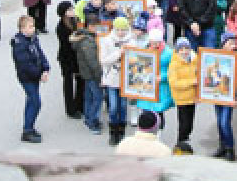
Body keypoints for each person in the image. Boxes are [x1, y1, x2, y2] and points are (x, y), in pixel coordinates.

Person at [11, 14, 50, 143]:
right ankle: (27, 131)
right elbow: (25, 65)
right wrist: (40, 74)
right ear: (22, 29)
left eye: (33, 26)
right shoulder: (19, 44)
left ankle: (29, 127)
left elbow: (40, 54)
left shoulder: (33, 38)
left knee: (31, 101)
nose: (33, 29)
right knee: (35, 102)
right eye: (30, 27)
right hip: (27, 78)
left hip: (35, 76)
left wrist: (45, 68)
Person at [100, 16, 135, 145]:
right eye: (118, 29)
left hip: (125, 79)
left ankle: (121, 131)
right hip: (112, 78)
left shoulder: (132, 41)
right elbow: (103, 60)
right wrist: (119, 53)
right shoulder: (107, 40)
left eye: (123, 29)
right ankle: (113, 132)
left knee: (123, 106)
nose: (121, 32)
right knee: (113, 107)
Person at [212, 30, 237, 161]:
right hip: (217, 94)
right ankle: (222, 147)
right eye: (230, 42)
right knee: (219, 121)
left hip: (229, 96)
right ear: (223, 43)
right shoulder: (216, 56)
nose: (233, 45)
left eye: (234, 42)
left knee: (225, 122)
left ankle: (230, 149)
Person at [137, 27, 174, 130]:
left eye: (156, 42)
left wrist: (163, 77)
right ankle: (146, 131)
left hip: (160, 87)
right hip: (146, 86)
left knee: (158, 111)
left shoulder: (169, 53)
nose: (154, 45)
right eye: (152, 42)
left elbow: (174, 70)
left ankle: (159, 132)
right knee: (145, 110)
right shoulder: (144, 50)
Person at [70, 20, 103, 134]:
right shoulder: (88, 42)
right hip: (92, 74)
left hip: (86, 73)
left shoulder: (82, 37)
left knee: (89, 97)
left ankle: (88, 118)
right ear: (90, 26)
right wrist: (99, 76)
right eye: (96, 26)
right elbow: (93, 62)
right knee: (97, 98)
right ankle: (92, 122)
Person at [168, 36, 198, 152]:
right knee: (183, 125)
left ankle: (185, 141)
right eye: (181, 49)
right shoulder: (174, 64)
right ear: (177, 50)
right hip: (181, 99)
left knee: (189, 125)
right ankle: (180, 146)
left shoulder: (195, 60)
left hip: (192, 98)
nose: (184, 51)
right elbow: (174, 83)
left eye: (187, 48)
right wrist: (192, 82)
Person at [55, 0, 84, 119]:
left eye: (72, 9)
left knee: (80, 80)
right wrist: (77, 37)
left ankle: (79, 105)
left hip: (77, 56)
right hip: (66, 57)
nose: (72, 11)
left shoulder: (76, 21)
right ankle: (70, 109)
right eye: (69, 10)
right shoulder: (60, 26)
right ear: (64, 12)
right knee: (68, 83)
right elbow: (67, 41)